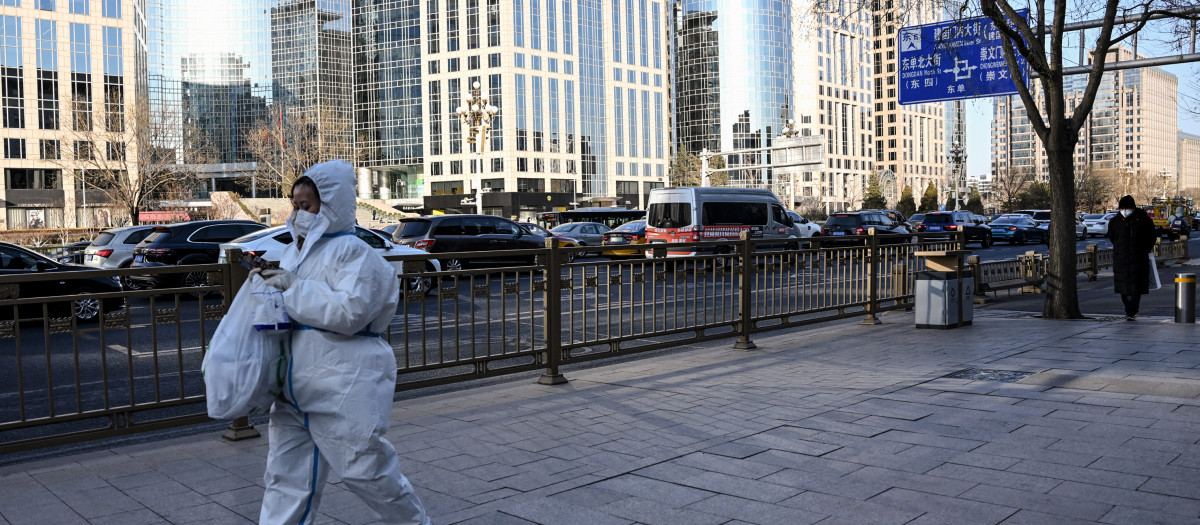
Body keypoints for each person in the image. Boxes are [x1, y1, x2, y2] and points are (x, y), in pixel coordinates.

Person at [254, 160, 430, 525]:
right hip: (294, 388)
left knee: (367, 471)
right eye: (296, 206)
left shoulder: (354, 252)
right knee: (284, 479)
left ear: (331, 204)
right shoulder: (295, 252)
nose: (300, 214)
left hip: (343, 384)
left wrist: (291, 288)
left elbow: (350, 314)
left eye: (309, 205)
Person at [1106, 195, 1157, 321]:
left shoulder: (1144, 220)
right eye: (1122, 208)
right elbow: (1112, 237)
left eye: (1127, 208)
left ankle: (1132, 309)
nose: (1125, 210)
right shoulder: (1115, 221)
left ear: (1133, 208)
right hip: (1121, 259)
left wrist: (1144, 249)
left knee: (1136, 286)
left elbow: (1151, 237)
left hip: (1139, 258)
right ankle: (1128, 308)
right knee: (1122, 286)